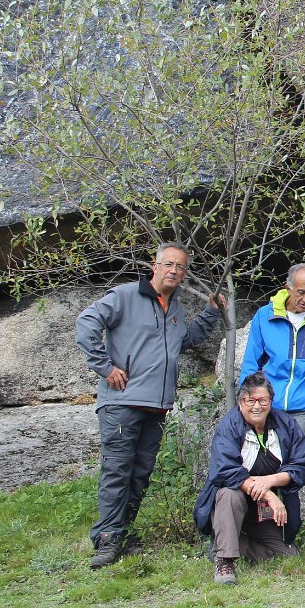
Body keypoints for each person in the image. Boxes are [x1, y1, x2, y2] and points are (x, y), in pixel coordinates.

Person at [76, 243, 222, 569]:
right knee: (118, 472)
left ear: (185, 273)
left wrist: (211, 311)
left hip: (156, 407)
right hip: (123, 403)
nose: (174, 271)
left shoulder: (175, 308)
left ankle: (121, 537)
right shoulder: (126, 296)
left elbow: (184, 340)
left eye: (180, 267)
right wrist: (105, 368)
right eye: (168, 264)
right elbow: (86, 322)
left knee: (139, 475)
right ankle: (106, 541)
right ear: (154, 266)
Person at [194, 372, 305, 583]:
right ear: (240, 402)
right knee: (229, 493)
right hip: (234, 503)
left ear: (270, 401)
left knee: (286, 555)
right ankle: (225, 561)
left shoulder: (286, 425)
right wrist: (267, 493)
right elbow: (225, 470)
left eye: (263, 400)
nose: (257, 406)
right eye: (250, 400)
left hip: (264, 510)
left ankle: (229, 542)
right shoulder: (229, 427)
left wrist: (271, 481)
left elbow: (301, 465)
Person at [237, 262, 305, 433]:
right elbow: (251, 363)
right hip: (265, 403)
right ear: (288, 287)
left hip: (302, 407)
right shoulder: (265, 316)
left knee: (292, 457)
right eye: (301, 292)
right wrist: (246, 400)